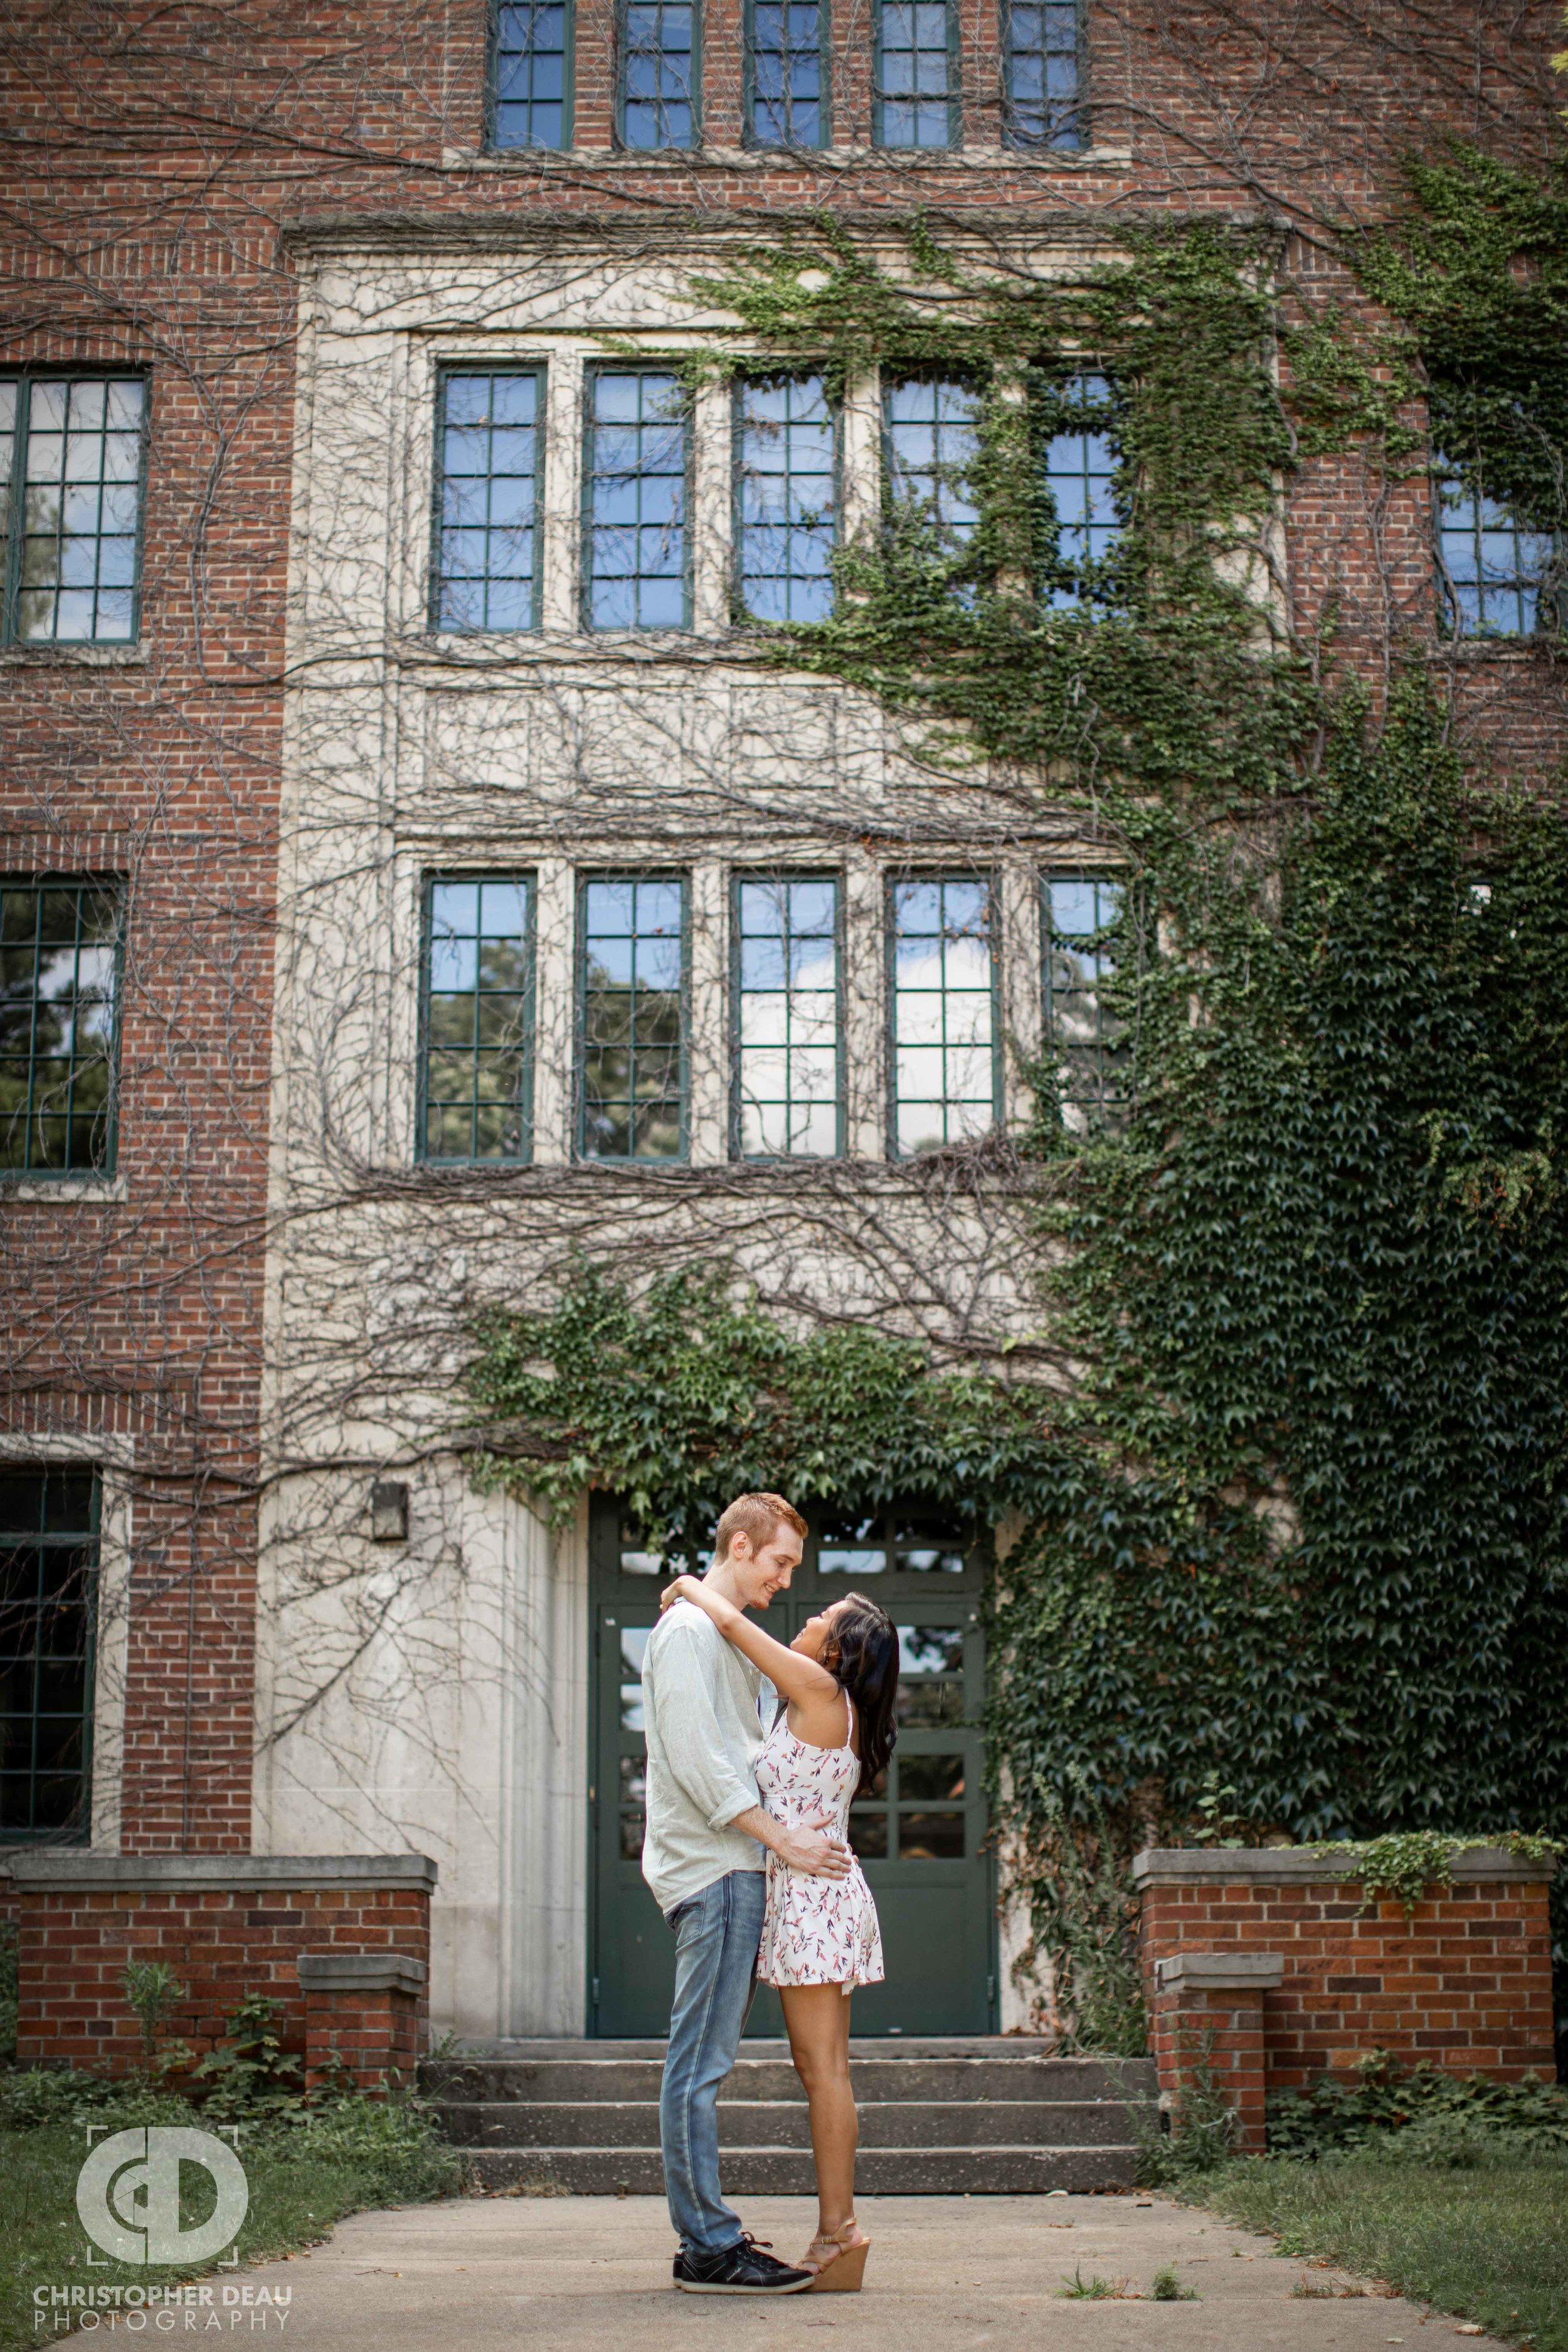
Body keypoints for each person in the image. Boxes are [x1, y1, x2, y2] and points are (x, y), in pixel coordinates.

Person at [658, 1563, 898, 2293]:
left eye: (822, 1617)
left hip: (816, 1897)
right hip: (810, 1894)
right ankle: (836, 2232)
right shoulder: (822, 1699)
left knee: (823, 2070)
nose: (806, 1617)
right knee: (818, 2067)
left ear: (838, 1648)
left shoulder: (822, 1690)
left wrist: (690, 1585)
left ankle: (838, 2234)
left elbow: (734, 1627)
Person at [640, 1490, 851, 2296]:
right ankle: (707, 2248)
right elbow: (700, 1763)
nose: (786, 1580)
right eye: (779, 1562)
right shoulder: (691, 1633)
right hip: (718, 1869)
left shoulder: (716, 1635)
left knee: (703, 2061)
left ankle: (707, 2238)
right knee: (698, 2064)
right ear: (738, 1547)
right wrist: (781, 1839)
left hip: (734, 1868)